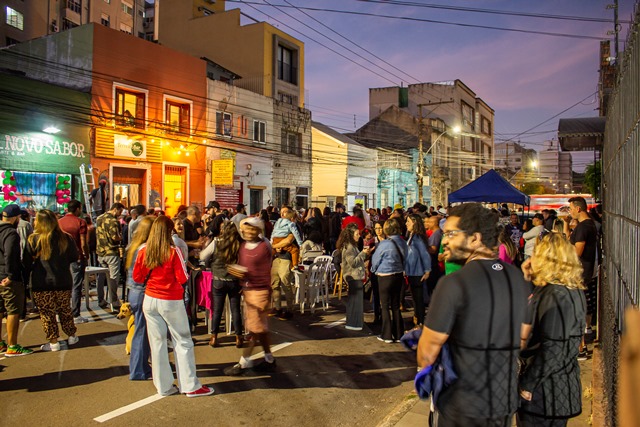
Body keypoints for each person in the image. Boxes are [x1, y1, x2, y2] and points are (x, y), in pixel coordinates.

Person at [417, 203, 529, 426]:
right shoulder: (517, 278)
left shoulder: (453, 284)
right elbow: (522, 338)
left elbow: (427, 353)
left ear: (475, 238)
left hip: (462, 404)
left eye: (451, 234)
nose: (445, 240)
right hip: (502, 402)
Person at [133, 215, 213, 397]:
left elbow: (137, 277)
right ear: (169, 231)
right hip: (171, 299)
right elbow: (183, 277)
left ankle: (164, 386)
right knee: (183, 341)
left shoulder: (143, 250)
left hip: (150, 299)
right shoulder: (173, 251)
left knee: (157, 344)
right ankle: (190, 385)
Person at [518, 233, 586, 426]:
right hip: (556, 386)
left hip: (546, 391)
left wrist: (528, 383)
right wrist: (528, 278)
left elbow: (554, 348)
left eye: (536, 254)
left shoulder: (555, 295)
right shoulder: (570, 290)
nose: (531, 258)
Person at [23, 209, 79, 352]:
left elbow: (26, 263)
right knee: (65, 309)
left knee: (47, 313)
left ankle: (53, 342)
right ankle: (71, 335)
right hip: (63, 280)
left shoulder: (33, 239)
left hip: (41, 282)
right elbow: (74, 256)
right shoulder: (65, 238)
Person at [225, 217, 275, 375]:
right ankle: (269, 359)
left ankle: (244, 362)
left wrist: (268, 295)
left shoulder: (264, 248)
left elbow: (267, 271)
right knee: (260, 328)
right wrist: (239, 273)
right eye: (246, 229)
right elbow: (245, 267)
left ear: (259, 231)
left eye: (252, 229)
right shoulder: (243, 247)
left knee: (254, 329)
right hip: (248, 291)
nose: (248, 232)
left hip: (260, 291)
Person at [201, 221, 244, 348]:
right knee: (235, 309)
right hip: (234, 280)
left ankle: (214, 337)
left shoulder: (216, 242)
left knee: (217, 309)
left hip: (218, 279)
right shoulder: (240, 244)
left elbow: (203, 256)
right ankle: (238, 337)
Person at [565, 196, 598, 359]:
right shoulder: (588, 225)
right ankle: (580, 347)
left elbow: (577, 252)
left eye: (570, 208)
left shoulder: (584, 228)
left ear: (578, 208)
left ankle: (581, 348)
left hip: (579, 274)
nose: (569, 211)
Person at [124, 216, 155, 380]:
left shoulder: (133, 246)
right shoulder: (145, 248)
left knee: (140, 330)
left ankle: (140, 366)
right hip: (143, 291)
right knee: (142, 332)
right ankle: (139, 370)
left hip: (134, 292)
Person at [0, 205, 33, 356]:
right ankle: (12, 346)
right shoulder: (11, 233)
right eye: (19, 218)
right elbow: (10, 255)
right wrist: (11, 276)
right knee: (13, 311)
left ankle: (1, 343)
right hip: (8, 279)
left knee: (0, 310)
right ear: (14, 218)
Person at [370, 219, 407, 343]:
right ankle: (398, 334)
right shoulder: (403, 242)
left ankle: (386, 334)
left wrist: (373, 270)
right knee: (395, 305)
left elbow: (375, 259)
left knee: (385, 306)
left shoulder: (385, 244)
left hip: (385, 275)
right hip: (399, 274)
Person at [58, 200, 89, 324]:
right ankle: (75, 314)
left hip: (61, 258)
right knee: (76, 286)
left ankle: (61, 313)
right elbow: (83, 242)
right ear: (77, 208)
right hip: (76, 258)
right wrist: (85, 255)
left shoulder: (59, 222)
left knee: (63, 286)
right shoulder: (80, 222)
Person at [338, 223, 371, 331]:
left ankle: (355, 322)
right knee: (355, 302)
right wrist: (363, 253)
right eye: (357, 234)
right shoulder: (349, 247)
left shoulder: (351, 246)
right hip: (353, 276)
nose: (359, 236)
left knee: (355, 302)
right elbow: (353, 263)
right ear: (351, 235)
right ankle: (354, 323)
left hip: (354, 276)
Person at [96, 202, 125, 312]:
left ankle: (101, 299)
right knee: (113, 277)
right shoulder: (113, 221)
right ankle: (114, 300)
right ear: (116, 209)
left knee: (101, 277)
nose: (120, 214)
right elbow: (114, 237)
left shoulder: (99, 218)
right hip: (111, 252)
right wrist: (120, 238)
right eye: (120, 211)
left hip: (101, 251)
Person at [405, 214, 431, 329]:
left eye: (408, 222)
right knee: (415, 298)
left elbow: (424, 254)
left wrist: (427, 270)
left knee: (418, 298)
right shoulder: (412, 236)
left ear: (415, 223)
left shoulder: (417, 237)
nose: (406, 224)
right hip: (412, 271)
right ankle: (418, 319)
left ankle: (420, 322)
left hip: (417, 271)